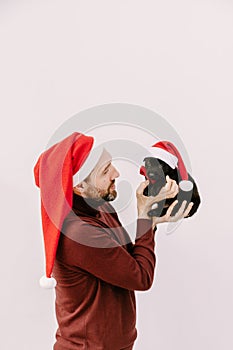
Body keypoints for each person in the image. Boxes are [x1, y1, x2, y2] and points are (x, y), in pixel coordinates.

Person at [33, 132, 193, 350]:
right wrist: (144, 218)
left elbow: (128, 259)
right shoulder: (79, 234)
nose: (116, 173)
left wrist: (152, 220)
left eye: (111, 165)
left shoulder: (101, 207)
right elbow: (140, 277)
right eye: (106, 170)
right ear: (79, 187)